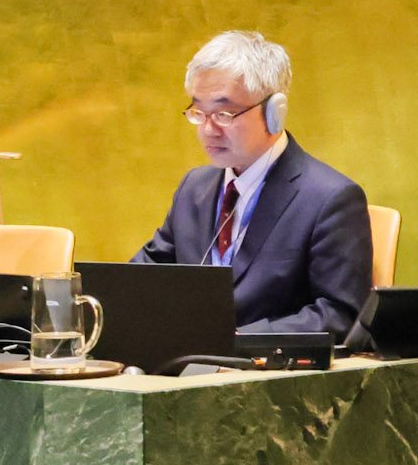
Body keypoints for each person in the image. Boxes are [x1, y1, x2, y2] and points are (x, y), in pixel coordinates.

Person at [133, 30, 372, 335]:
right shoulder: (194, 188)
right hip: (187, 358)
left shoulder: (331, 199)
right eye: (199, 113)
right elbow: (143, 276)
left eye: (224, 113)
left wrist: (234, 341)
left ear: (274, 112)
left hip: (267, 363)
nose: (208, 130)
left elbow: (339, 315)